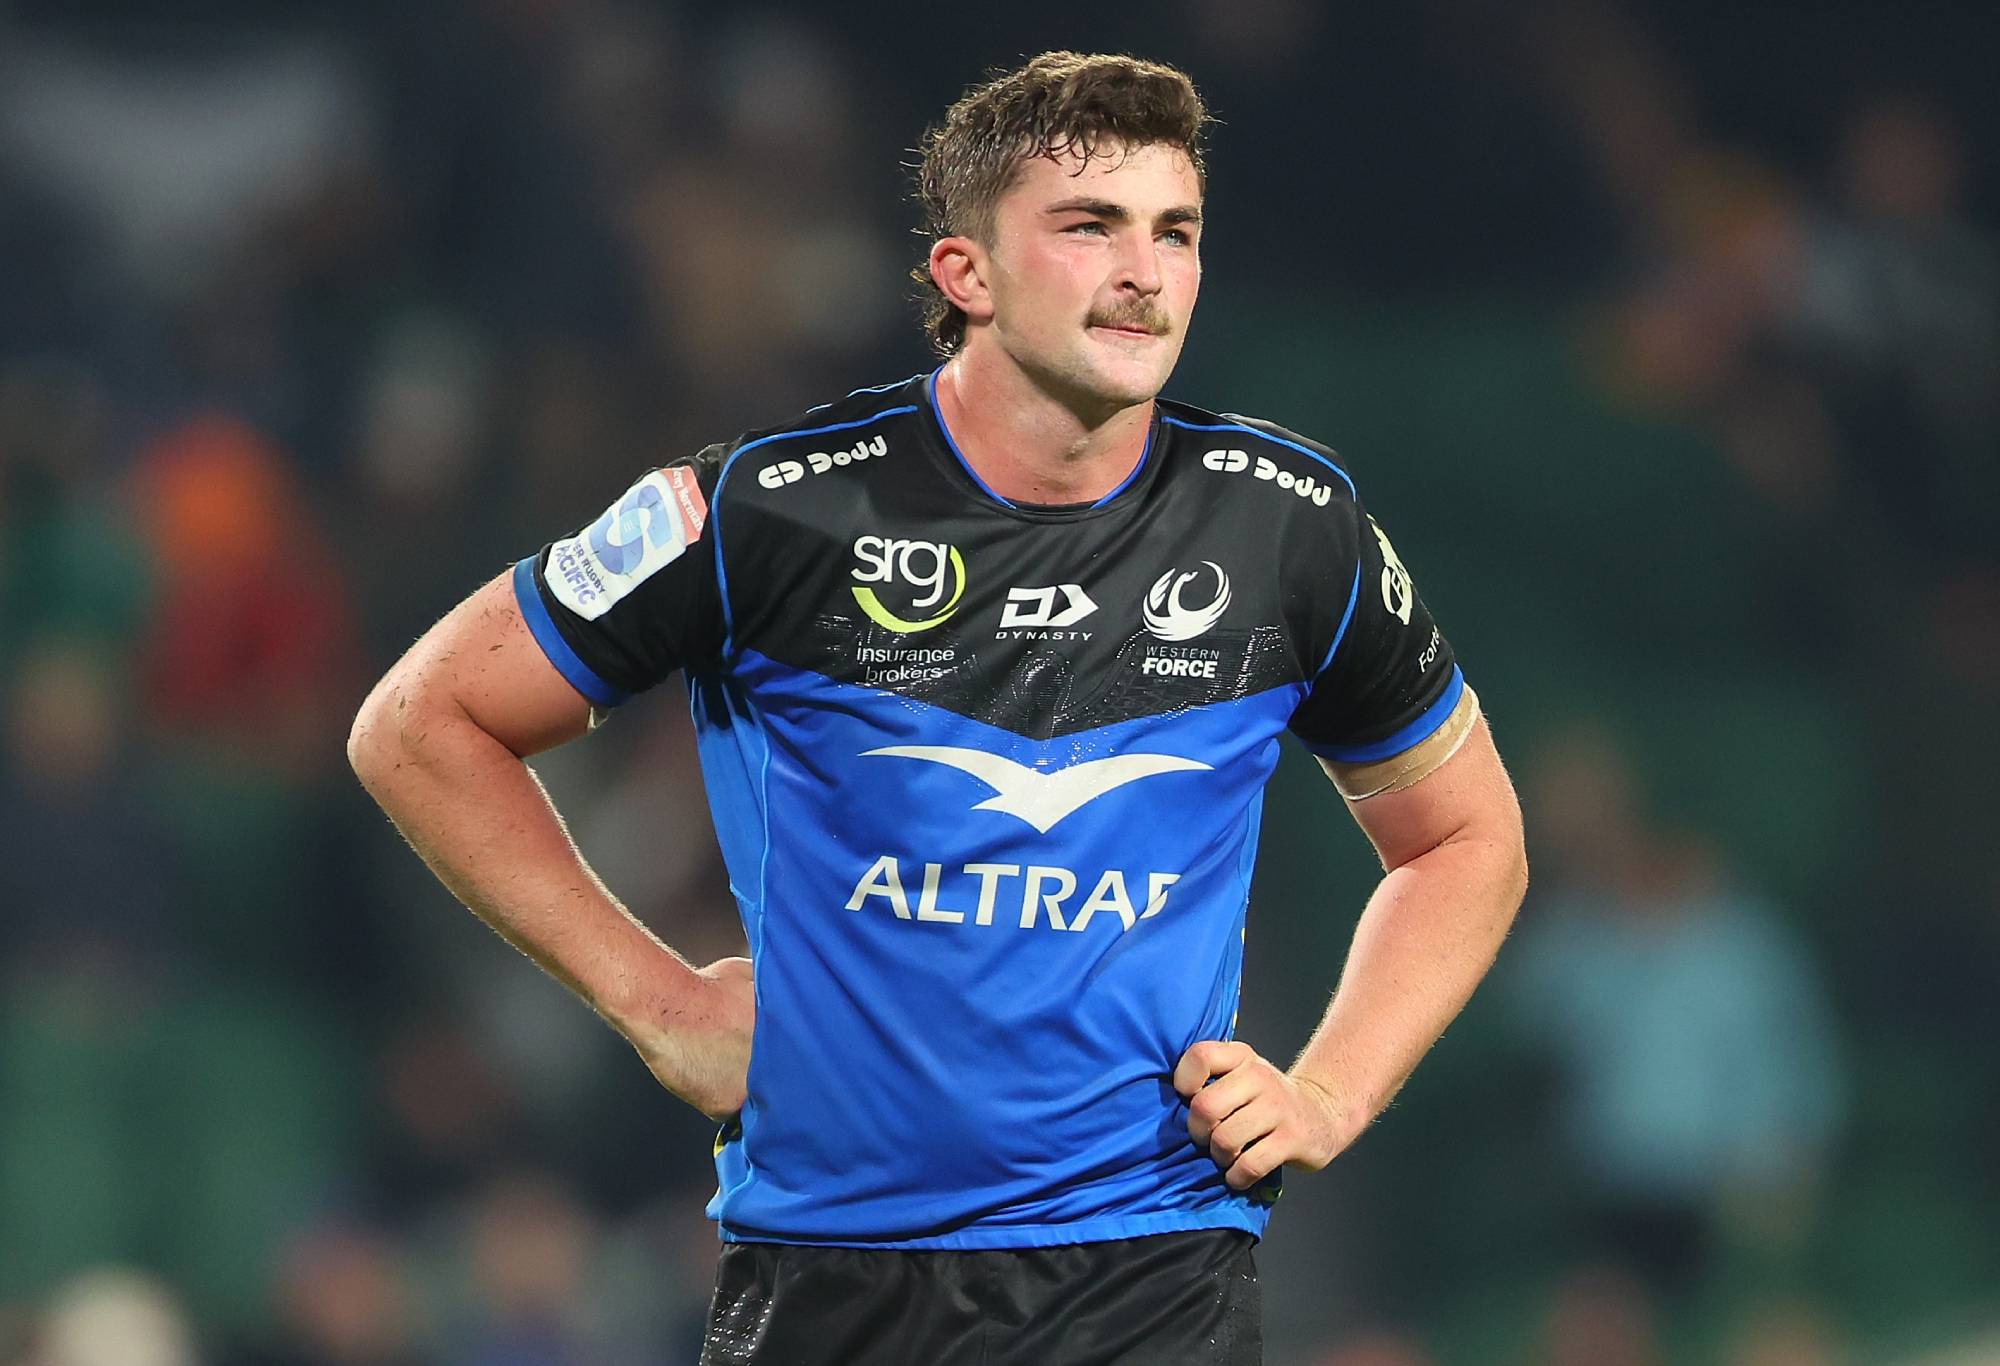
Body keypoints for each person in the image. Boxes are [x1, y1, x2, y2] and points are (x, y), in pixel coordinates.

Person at [348, 51, 1528, 1366]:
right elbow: (419, 722)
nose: (1144, 271)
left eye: (1174, 231)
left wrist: (1325, 1092)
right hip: (833, 1282)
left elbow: (1466, 837)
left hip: (1154, 1280)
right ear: (966, 272)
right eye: (1089, 227)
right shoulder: (773, 511)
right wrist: (657, 999)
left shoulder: (1288, 525)